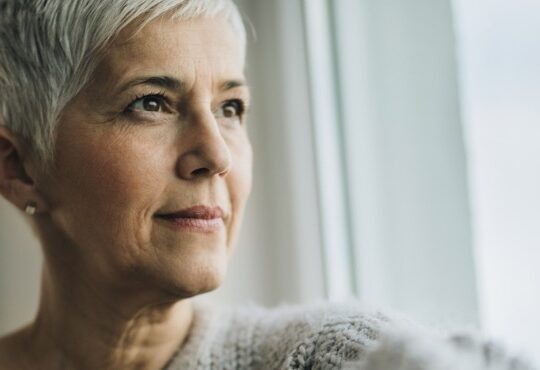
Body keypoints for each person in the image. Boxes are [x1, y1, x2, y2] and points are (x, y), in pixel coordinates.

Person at [0, 1, 536, 369]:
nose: (216, 155)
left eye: (230, 108)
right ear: (19, 167)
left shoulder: (313, 354)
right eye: (151, 103)